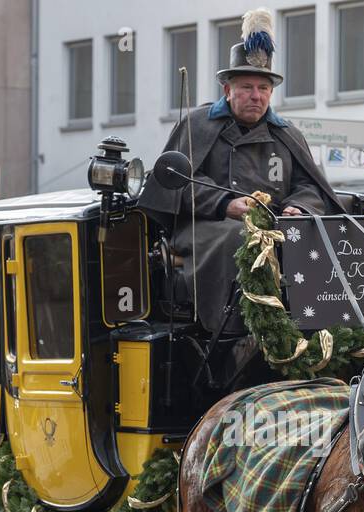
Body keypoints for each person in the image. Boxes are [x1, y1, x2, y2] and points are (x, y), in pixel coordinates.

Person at [138, 7, 343, 337]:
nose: (256, 96)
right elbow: (176, 181)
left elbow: (311, 185)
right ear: (227, 90)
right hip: (206, 225)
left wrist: (298, 207)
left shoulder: (287, 134)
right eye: (247, 87)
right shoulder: (197, 125)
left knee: (316, 238)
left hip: (276, 224)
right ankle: (237, 330)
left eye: (263, 88)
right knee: (242, 239)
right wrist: (224, 204)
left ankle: (321, 328)